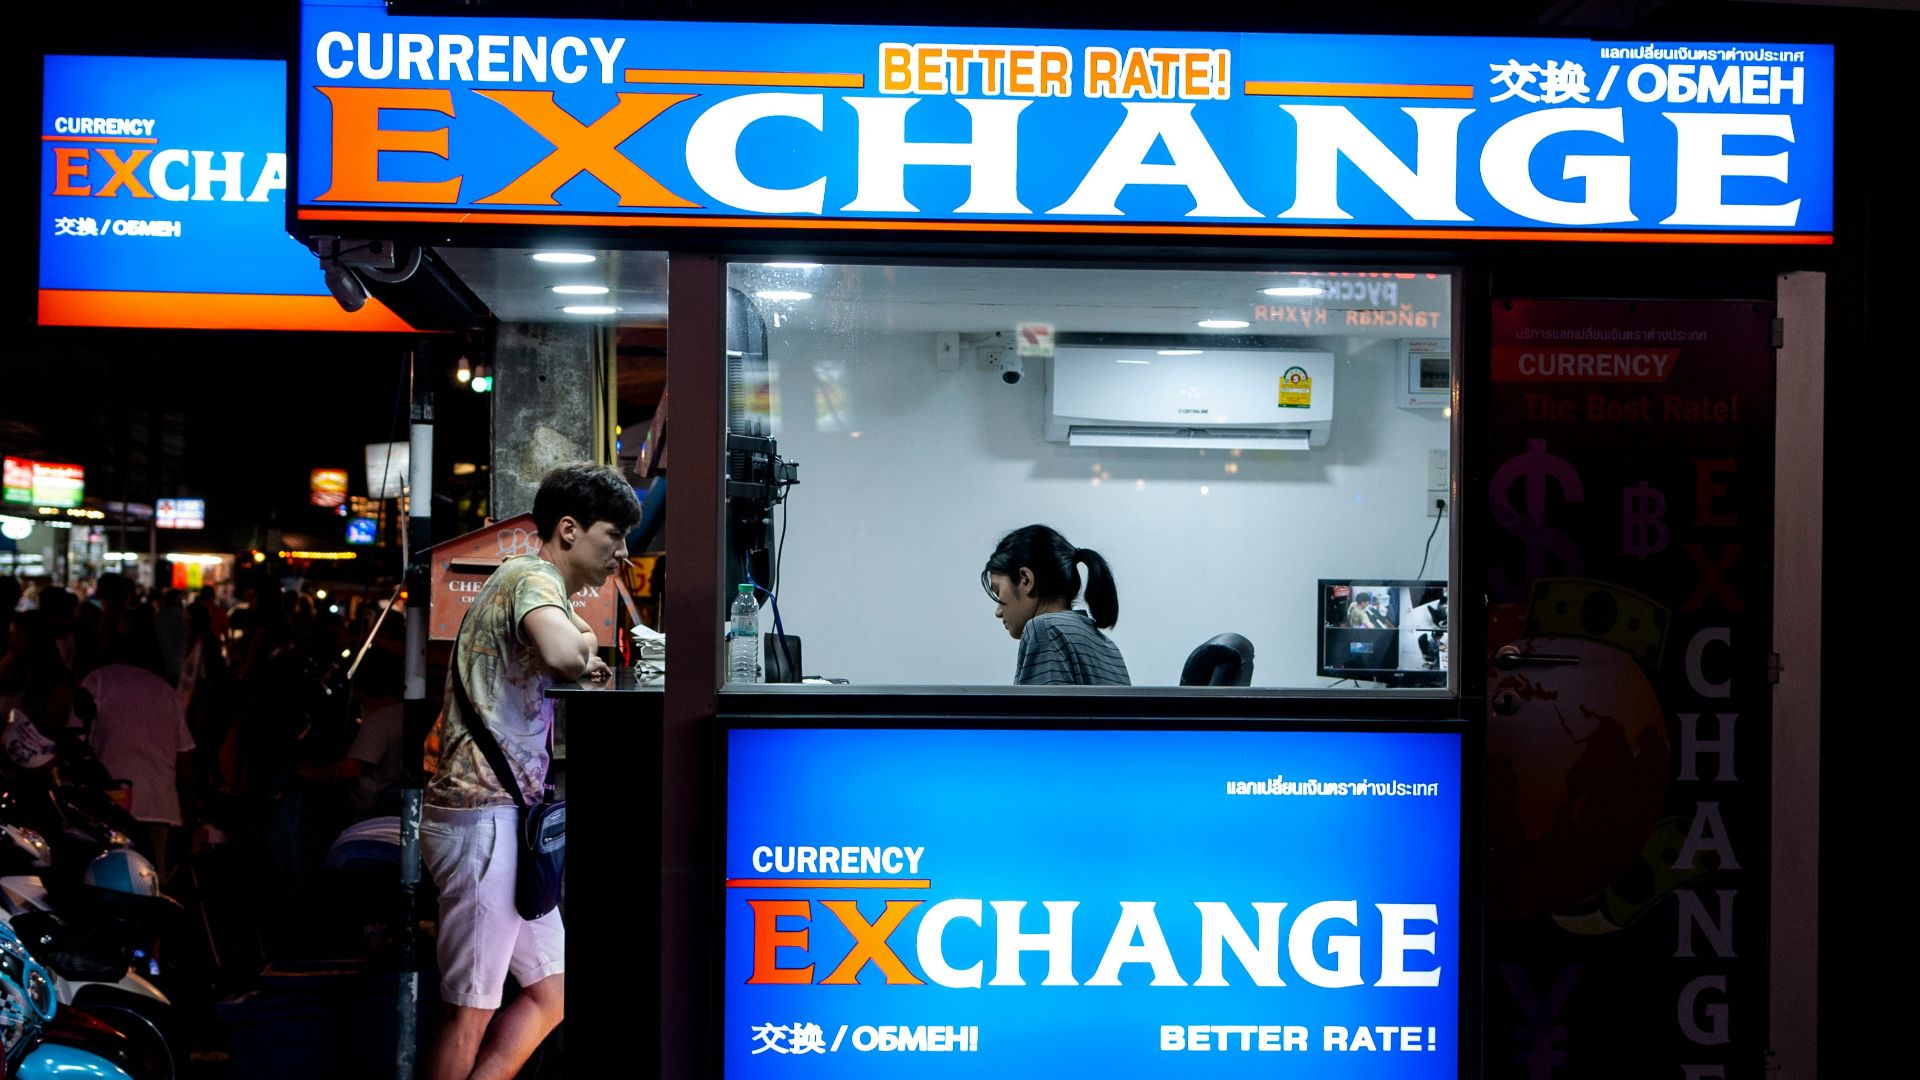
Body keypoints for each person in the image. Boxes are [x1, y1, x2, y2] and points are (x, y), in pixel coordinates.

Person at [421, 462, 640, 1080]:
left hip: (504, 820)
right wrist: (583, 647)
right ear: (568, 529)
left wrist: (581, 643)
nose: (621, 554)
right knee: (469, 1012)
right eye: (613, 536)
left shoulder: (537, 583)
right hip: (481, 820)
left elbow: (573, 646)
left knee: (554, 993)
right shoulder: (530, 575)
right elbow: (564, 652)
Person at [77, 618, 195, 877]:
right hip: (159, 804)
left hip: (109, 804)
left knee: (103, 877)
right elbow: (186, 755)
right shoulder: (165, 690)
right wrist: (189, 809)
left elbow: (74, 736)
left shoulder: (98, 680)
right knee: (152, 881)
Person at [982, 524, 1129, 686]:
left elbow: (1044, 711)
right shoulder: (1108, 646)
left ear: (1026, 580)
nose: (998, 611)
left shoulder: (1044, 629)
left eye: (998, 592)